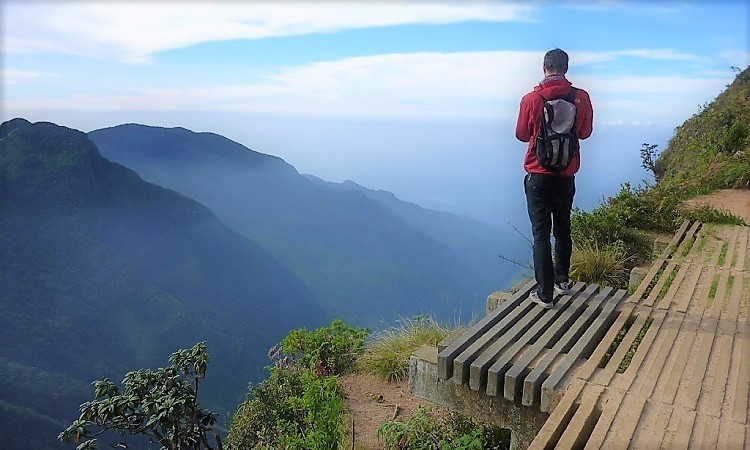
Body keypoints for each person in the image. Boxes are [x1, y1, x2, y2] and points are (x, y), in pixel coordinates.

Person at [515, 48, 594, 309]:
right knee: (563, 227)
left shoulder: (531, 99)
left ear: (544, 67)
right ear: (566, 68)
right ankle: (563, 281)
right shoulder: (580, 97)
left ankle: (545, 293)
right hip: (566, 174)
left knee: (541, 234)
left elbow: (521, 134)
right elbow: (584, 133)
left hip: (538, 174)